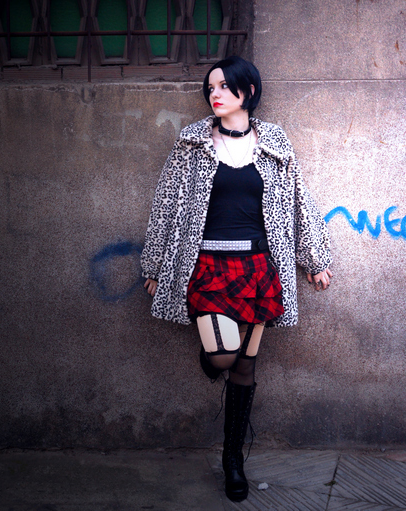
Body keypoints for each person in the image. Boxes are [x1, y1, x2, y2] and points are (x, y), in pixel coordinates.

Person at [141, 56, 333, 502]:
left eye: (225, 86)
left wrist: (314, 259)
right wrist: (153, 266)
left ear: (248, 92)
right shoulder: (191, 144)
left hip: (259, 266)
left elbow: (300, 204)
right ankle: (212, 360)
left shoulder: (275, 144)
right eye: (210, 87)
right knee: (225, 358)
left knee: (246, 367)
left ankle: (233, 460)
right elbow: (165, 204)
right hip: (206, 265)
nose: (215, 93)